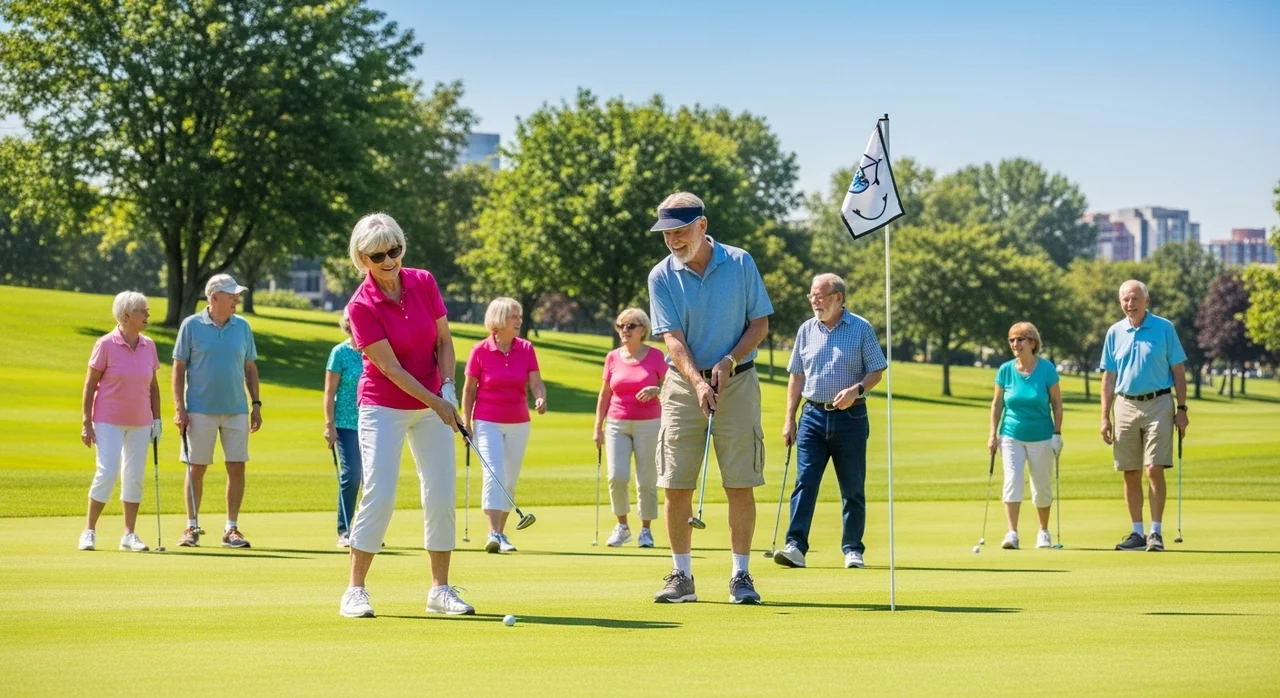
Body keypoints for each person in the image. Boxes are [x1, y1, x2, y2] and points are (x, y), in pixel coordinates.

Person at [338, 213, 470, 618]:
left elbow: (445, 340)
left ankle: (440, 589)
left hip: (432, 398)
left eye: (395, 249)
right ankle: (355, 590)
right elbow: (391, 370)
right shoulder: (361, 306)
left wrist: (447, 386)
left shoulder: (424, 281)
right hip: (383, 405)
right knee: (380, 490)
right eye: (379, 255)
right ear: (363, 259)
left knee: (441, 491)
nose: (390, 259)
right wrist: (438, 402)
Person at [647, 191, 772, 605]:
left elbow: (759, 323)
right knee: (675, 482)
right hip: (683, 386)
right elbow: (672, 338)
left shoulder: (740, 262)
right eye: (666, 234)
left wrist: (728, 361)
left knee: (740, 481)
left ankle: (741, 575)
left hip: (737, 382)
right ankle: (681, 575)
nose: (673, 241)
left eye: (680, 231)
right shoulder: (661, 275)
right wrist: (698, 382)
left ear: (702, 226)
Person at [777, 274, 886, 569]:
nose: (814, 301)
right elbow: (797, 375)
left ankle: (853, 548)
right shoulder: (806, 329)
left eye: (820, 296)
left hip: (851, 417)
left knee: (852, 486)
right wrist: (789, 418)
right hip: (812, 416)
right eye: (811, 295)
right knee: (805, 483)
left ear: (838, 298)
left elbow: (876, 370)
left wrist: (857, 390)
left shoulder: (861, 328)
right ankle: (796, 546)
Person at [172, 274, 261, 549]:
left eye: (237, 294)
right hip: (199, 410)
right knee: (196, 468)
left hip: (236, 409)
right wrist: (180, 408)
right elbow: (178, 368)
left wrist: (256, 404)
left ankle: (231, 529)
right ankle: (191, 525)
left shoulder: (242, 327)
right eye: (231, 294)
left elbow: (250, 367)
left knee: (237, 467)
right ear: (214, 298)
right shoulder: (191, 326)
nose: (236, 299)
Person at [1100, 280, 1189, 552]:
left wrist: (1182, 409)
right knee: (1130, 471)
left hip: (1159, 402)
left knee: (1153, 468)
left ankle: (1156, 532)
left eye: (1135, 298)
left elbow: (1178, 371)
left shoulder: (1164, 328)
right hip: (1124, 404)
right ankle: (1137, 533)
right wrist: (1105, 416)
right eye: (1125, 299)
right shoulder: (1115, 332)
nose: (1130, 304)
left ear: (1146, 301)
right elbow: (1109, 376)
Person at [461, 297, 547, 554]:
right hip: (486, 421)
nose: (519, 321)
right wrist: (466, 424)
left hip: (519, 422)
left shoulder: (527, 348)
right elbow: (469, 391)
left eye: (520, 317)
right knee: (494, 473)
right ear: (499, 320)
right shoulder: (480, 351)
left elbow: (536, 382)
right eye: (514, 317)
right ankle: (493, 532)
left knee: (509, 479)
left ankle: (502, 532)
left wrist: (540, 396)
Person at [78, 291, 162, 552]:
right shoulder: (106, 344)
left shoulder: (149, 345)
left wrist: (156, 419)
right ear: (127, 315)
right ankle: (89, 530)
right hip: (108, 420)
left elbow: (154, 387)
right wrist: (86, 422)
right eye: (143, 310)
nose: (148, 314)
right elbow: (90, 384)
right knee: (107, 472)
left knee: (134, 476)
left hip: (141, 422)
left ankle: (129, 535)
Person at [593, 308, 668, 548]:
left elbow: (673, 388)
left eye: (631, 325)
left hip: (649, 423)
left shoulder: (657, 357)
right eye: (620, 325)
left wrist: (657, 390)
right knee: (617, 476)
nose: (624, 330)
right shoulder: (613, 357)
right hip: (616, 422)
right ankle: (622, 526)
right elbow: (605, 394)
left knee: (646, 479)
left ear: (643, 329)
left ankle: (645, 530)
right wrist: (598, 426)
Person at [987, 321, 1064, 550]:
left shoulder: (1047, 369)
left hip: (1041, 435)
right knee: (1012, 480)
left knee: (1041, 485)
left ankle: (1043, 531)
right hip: (1011, 434)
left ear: (1032, 342)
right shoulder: (1005, 370)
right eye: (1011, 340)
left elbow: (1057, 404)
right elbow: (997, 404)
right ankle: (1012, 533)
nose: (1015, 344)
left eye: (1020, 339)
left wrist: (1057, 433)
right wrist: (993, 434)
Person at [324, 310, 363, 548]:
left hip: (374, 421)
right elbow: (330, 391)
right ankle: (345, 530)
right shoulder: (340, 352)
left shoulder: (375, 350)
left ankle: (365, 530)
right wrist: (329, 424)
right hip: (345, 424)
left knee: (373, 479)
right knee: (352, 475)